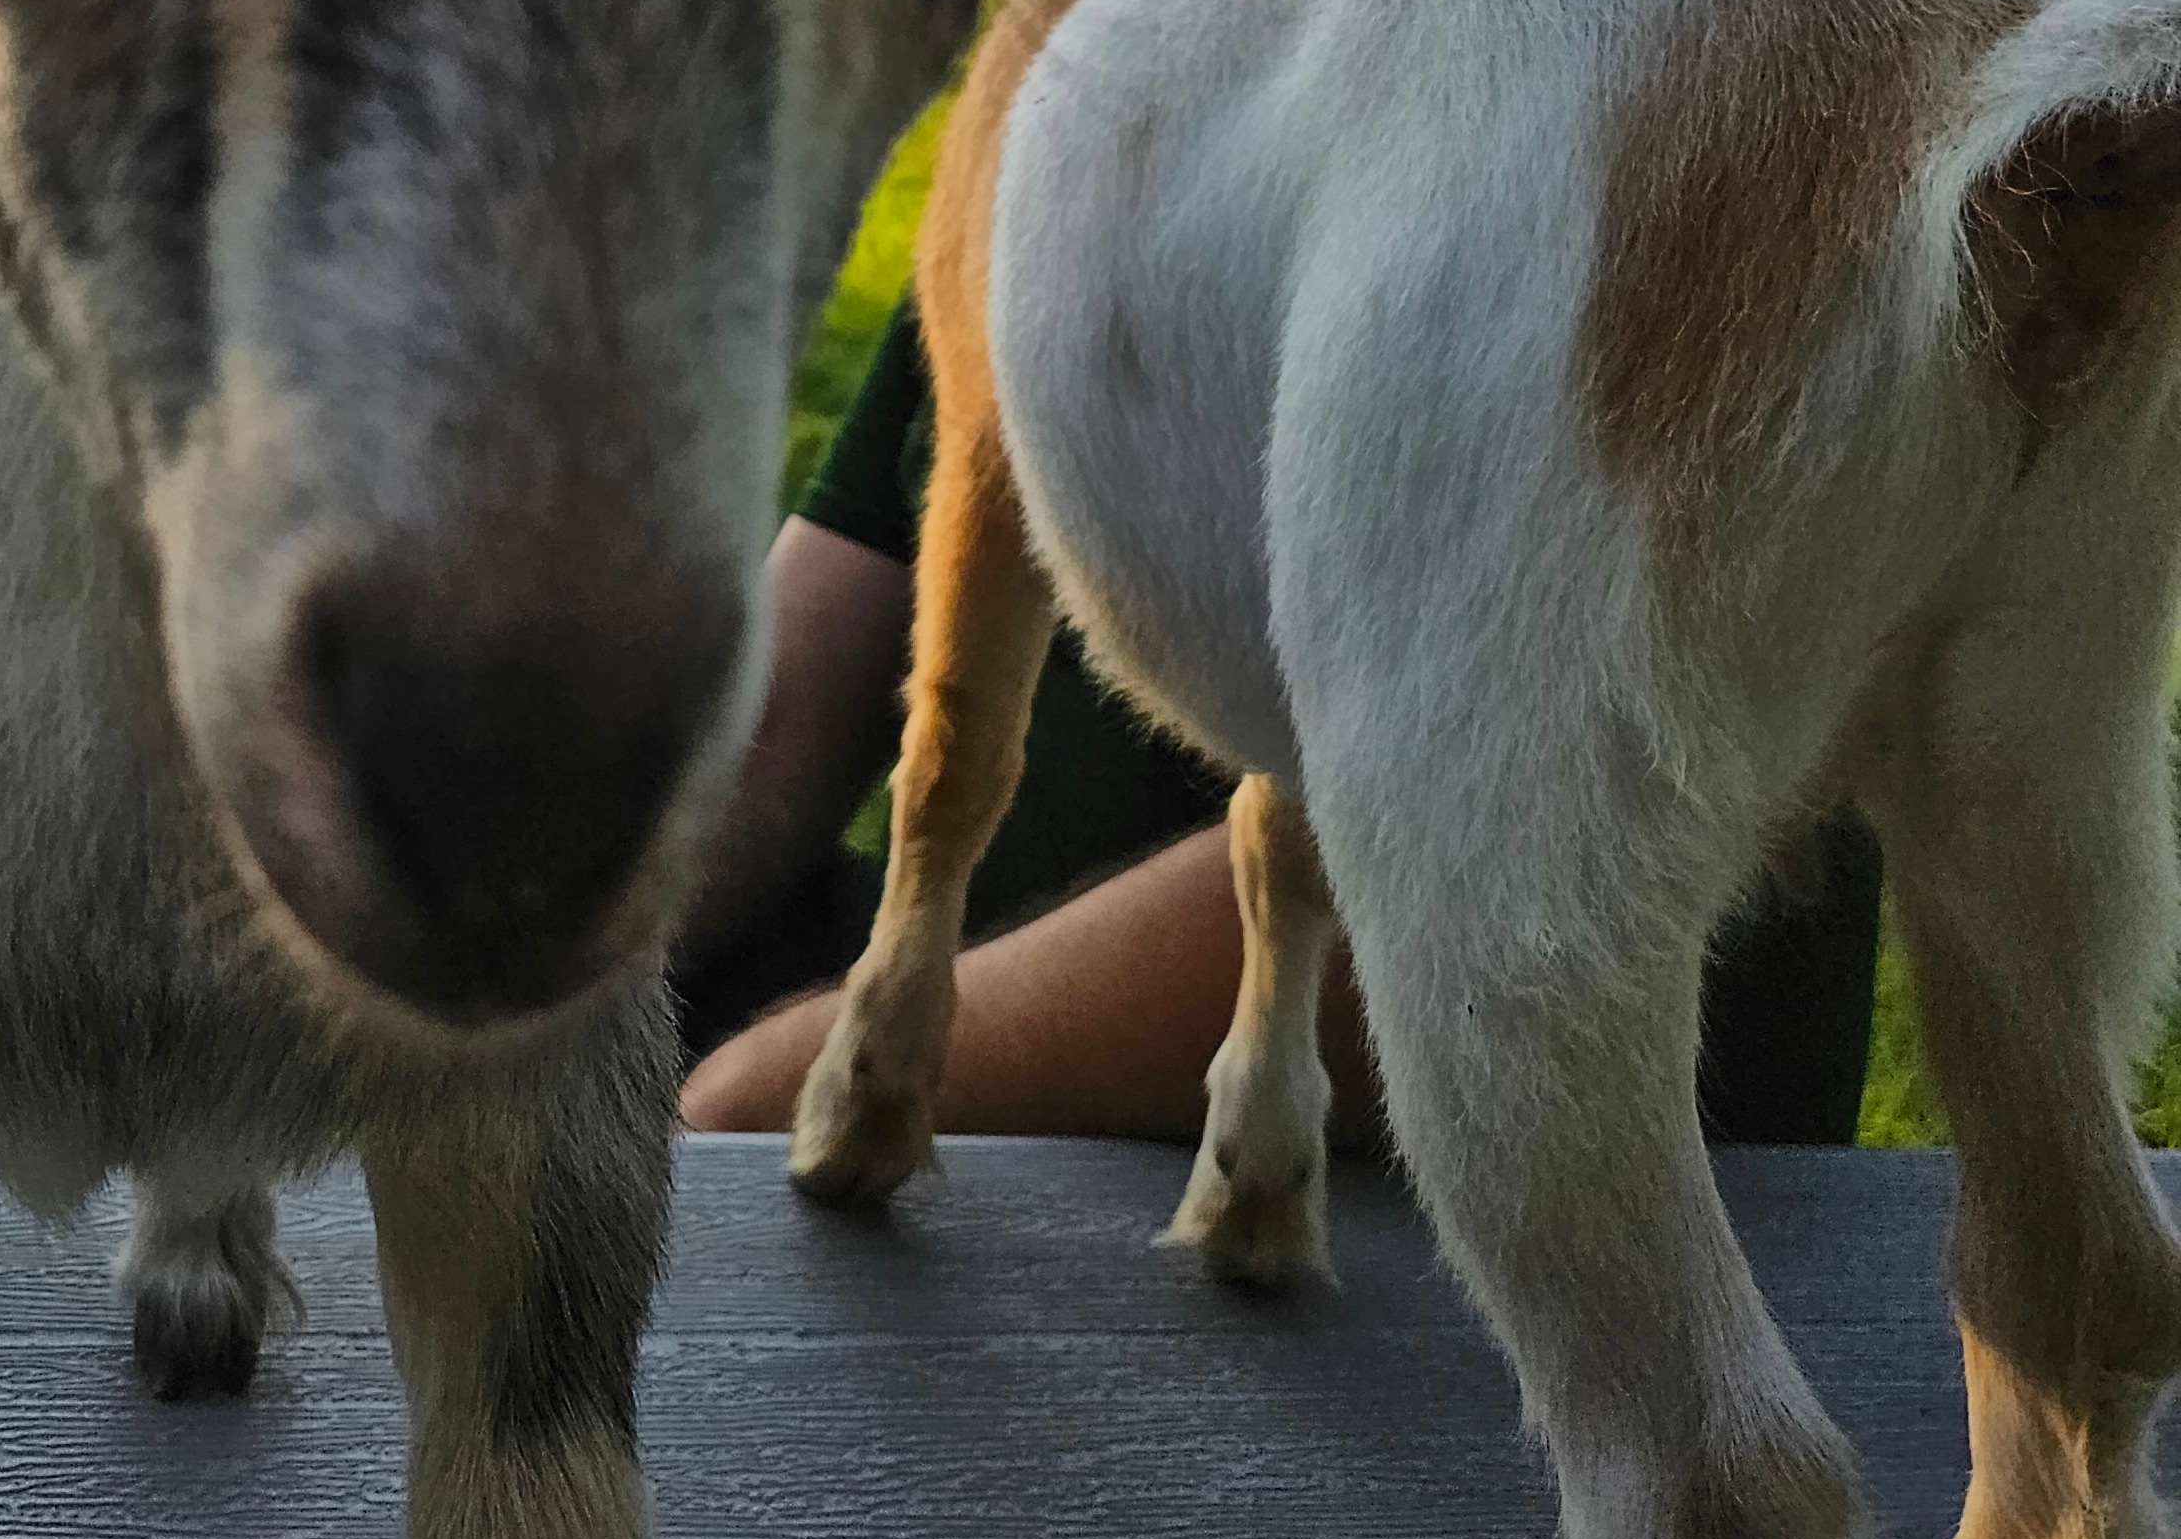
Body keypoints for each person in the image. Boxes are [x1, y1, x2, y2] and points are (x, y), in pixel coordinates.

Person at [676, 264, 1883, 1159]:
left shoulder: (1622, 162)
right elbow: (779, 706)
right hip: (964, 1101)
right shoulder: (1085, 95)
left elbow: (1502, 894)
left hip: (1447, 1245)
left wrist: (779, 1089)